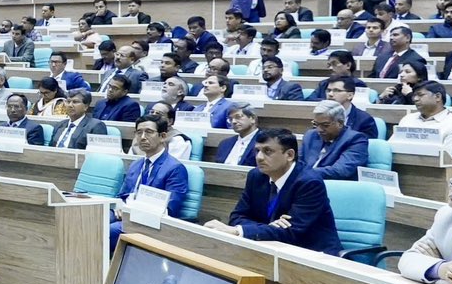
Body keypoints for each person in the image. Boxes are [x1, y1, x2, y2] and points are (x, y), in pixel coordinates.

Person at [205, 128, 342, 255]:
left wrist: (238, 231)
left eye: (267, 151)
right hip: (271, 248)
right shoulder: (256, 176)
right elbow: (237, 216)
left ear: (289, 155)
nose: (259, 157)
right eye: (257, 150)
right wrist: (268, 227)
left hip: (312, 254)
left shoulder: (309, 183)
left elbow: (292, 232)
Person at [110, 115, 191, 248]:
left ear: (163, 136)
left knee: (108, 230)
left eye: (149, 132)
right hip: (127, 214)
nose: (142, 137)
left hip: (150, 221)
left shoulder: (175, 168)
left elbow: (171, 209)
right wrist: (119, 205)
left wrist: (135, 210)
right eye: (139, 132)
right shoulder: (136, 164)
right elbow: (123, 194)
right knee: (96, 220)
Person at [300, 100, 370, 180]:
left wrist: (303, 173)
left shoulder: (356, 139)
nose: (319, 129)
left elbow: (341, 171)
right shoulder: (311, 135)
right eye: (316, 124)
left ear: (340, 123)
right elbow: (297, 162)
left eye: (325, 125)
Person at [394, 81, 452, 154]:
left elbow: (446, 157)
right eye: (414, 95)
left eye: (420, 95)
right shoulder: (408, 119)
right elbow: (392, 147)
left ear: (438, 97)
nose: (415, 99)